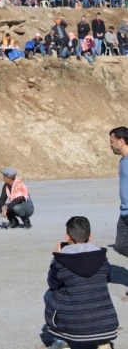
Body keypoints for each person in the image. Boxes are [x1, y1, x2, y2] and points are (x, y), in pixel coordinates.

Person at [44, 216, 118, 349]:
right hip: (106, 324)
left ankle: (63, 341)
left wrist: (55, 258)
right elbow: (109, 278)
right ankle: (102, 342)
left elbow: (53, 284)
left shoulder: (61, 261)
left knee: (49, 294)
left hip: (73, 324)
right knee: (95, 290)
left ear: (67, 237)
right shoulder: (102, 258)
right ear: (90, 237)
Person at [109, 126, 128, 260]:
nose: (111, 144)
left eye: (112, 141)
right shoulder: (122, 160)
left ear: (121, 141)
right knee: (120, 246)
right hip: (124, 212)